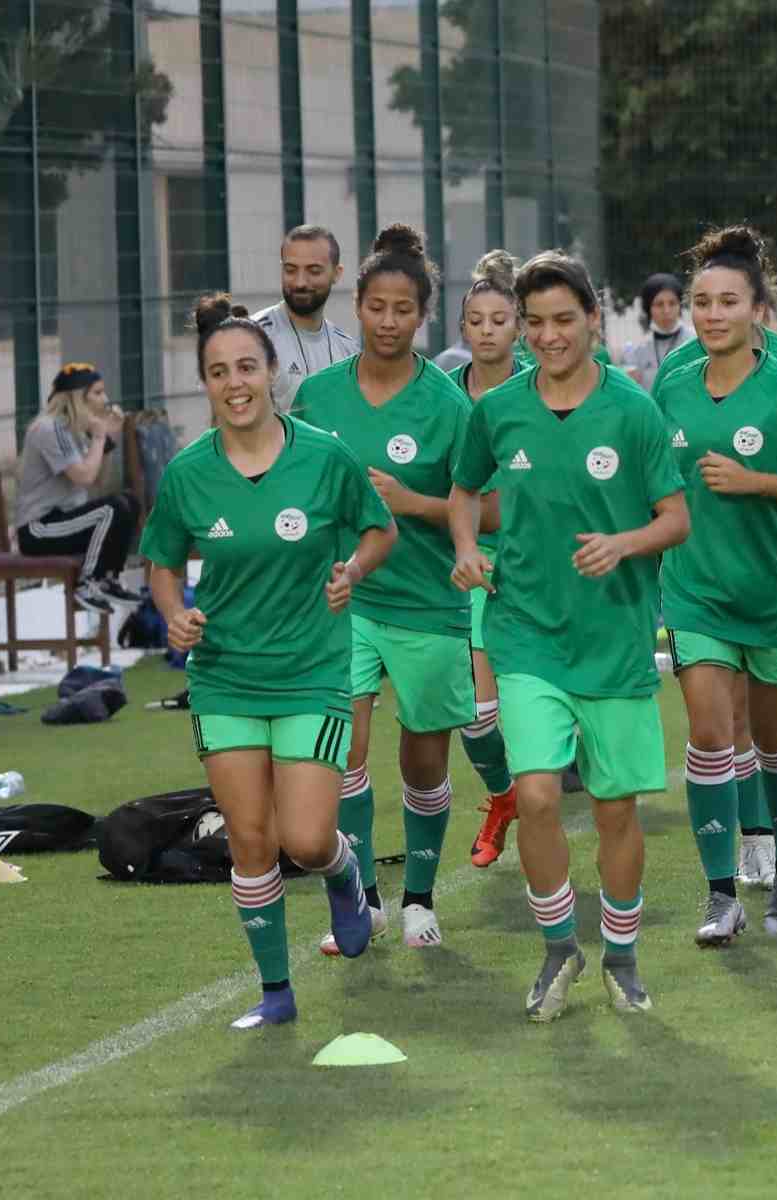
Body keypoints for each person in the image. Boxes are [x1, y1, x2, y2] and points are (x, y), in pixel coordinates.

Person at [140, 292, 397, 1029]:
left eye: (247, 367)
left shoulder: (323, 456)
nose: (235, 383)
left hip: (312, 672)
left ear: (272, 372)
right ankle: (276, 994)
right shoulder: (189, 473)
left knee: (306, 840)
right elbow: (162, 562)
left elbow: (379, 530)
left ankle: (345, 877)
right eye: (219, 372)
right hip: (225, 678)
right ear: (206, 383)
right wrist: (173, 613)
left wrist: (352, 570)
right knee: (250, 843)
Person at [449, 250, 690, 1021]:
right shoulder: (498, 411)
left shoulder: (632, 410)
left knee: (616, 810)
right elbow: (464, 490)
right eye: (536, 323)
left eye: (563, 320)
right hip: (525, 634)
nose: (549, 336)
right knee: (537, 795)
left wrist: (623, 544)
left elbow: (675, 518)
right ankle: (559, 947)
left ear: (592, 320)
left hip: (614, 638)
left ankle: (621, 957)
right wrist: (466, 547)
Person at [655, 226, 777, 943]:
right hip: (694, 592)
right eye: (702, 301)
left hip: (773, 595)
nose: (712, 314)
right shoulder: (672, 384)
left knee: (774, 740)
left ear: (757, 310)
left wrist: (755, 481)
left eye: (728, 301)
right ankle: (720, 894)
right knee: (709, 737)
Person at [292, 225, 477, 954]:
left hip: (428, 602)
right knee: (345, 751)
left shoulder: (448, 404)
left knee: (423, 764)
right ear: (358, 307)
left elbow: (488, 507)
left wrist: (414, 503)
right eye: (377, 307)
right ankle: (363, 897)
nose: (389, 321)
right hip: (345, 603)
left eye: (404, 309)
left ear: (423, 315)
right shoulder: (317, 397)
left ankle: (419, 899)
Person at [446, 251, 523, 868]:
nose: (488, 330)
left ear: (519, 325)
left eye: (500, 319)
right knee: (476, 713)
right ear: (462, 328)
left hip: (542, 559)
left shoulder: (544, 387)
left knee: (539, 705)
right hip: (472, 561)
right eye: (477, 321)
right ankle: (502, 797)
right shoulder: (443, 395)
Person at [15, 363, 141, 613]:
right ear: (77, 397)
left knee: (129, 502)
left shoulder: (73, 429)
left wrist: (106, 440)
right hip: (39, 529)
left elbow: (98, 480)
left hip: (65, 521)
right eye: (97, 393)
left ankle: (108, 579)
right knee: (112, 509)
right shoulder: (50, 428)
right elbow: (83, 476)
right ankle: (87, 584)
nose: (105, 400)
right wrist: (99, 437)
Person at [254, 224, 360, 409]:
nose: (300, 282)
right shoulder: (253, 336)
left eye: (314, 271)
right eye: (290, 270)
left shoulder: (348, 350)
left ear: (337, 274)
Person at [619, 273, 695, 391]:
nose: (666, 311)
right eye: (659, 304)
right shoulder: (636, 349)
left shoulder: (695, 341)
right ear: (648, 308)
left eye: (672, 303)